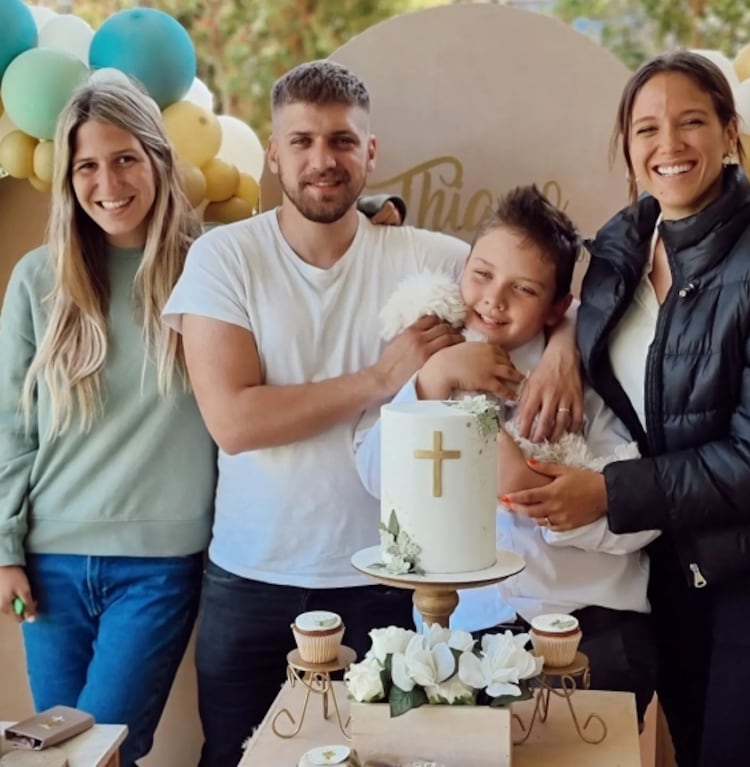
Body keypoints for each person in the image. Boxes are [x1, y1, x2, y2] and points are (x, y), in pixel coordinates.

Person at [162, 60, 579, 767]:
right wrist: (383, 376)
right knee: (234, 757)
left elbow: (563, 272)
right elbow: (234, 420)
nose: (321, 160)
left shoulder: (432, 256)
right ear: (272, 152)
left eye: (341, 141)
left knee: (390, 757)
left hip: (391, 582)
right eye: (300, 141)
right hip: (251, 576)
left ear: (370, 152)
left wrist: (564, 346)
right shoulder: (223, 257)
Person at [504, 51, 750, 767]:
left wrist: (607, 492)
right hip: (665, 568)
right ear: (625, 144)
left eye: (690, 123)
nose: (669, 145)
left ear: (727, 132)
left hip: (747, 570)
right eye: (646, 128)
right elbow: (590, 321)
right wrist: (562, 346)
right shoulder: (621, 244)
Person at [355, 185, 658, 722]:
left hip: (590, 626)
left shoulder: (588, 380)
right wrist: (434, 379)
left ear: (557, 307)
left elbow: (642, 516)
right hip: (465, 630)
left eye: (523, 288)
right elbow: (378, 475)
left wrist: (553, 503)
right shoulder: (431, 358)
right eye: (482, 275)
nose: (495, 299)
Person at [0, 80, 215, 767]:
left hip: (159, 563)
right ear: (68, 178)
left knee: (101, 752)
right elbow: (9, 423)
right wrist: (4, 547)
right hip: (50, 560)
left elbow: (297, 241)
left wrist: (366, 205)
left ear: (156, 159)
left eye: (124, 158)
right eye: (86, 165)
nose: (107, 182)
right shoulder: (39, 279)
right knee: (54, 752)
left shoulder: (209, 266)